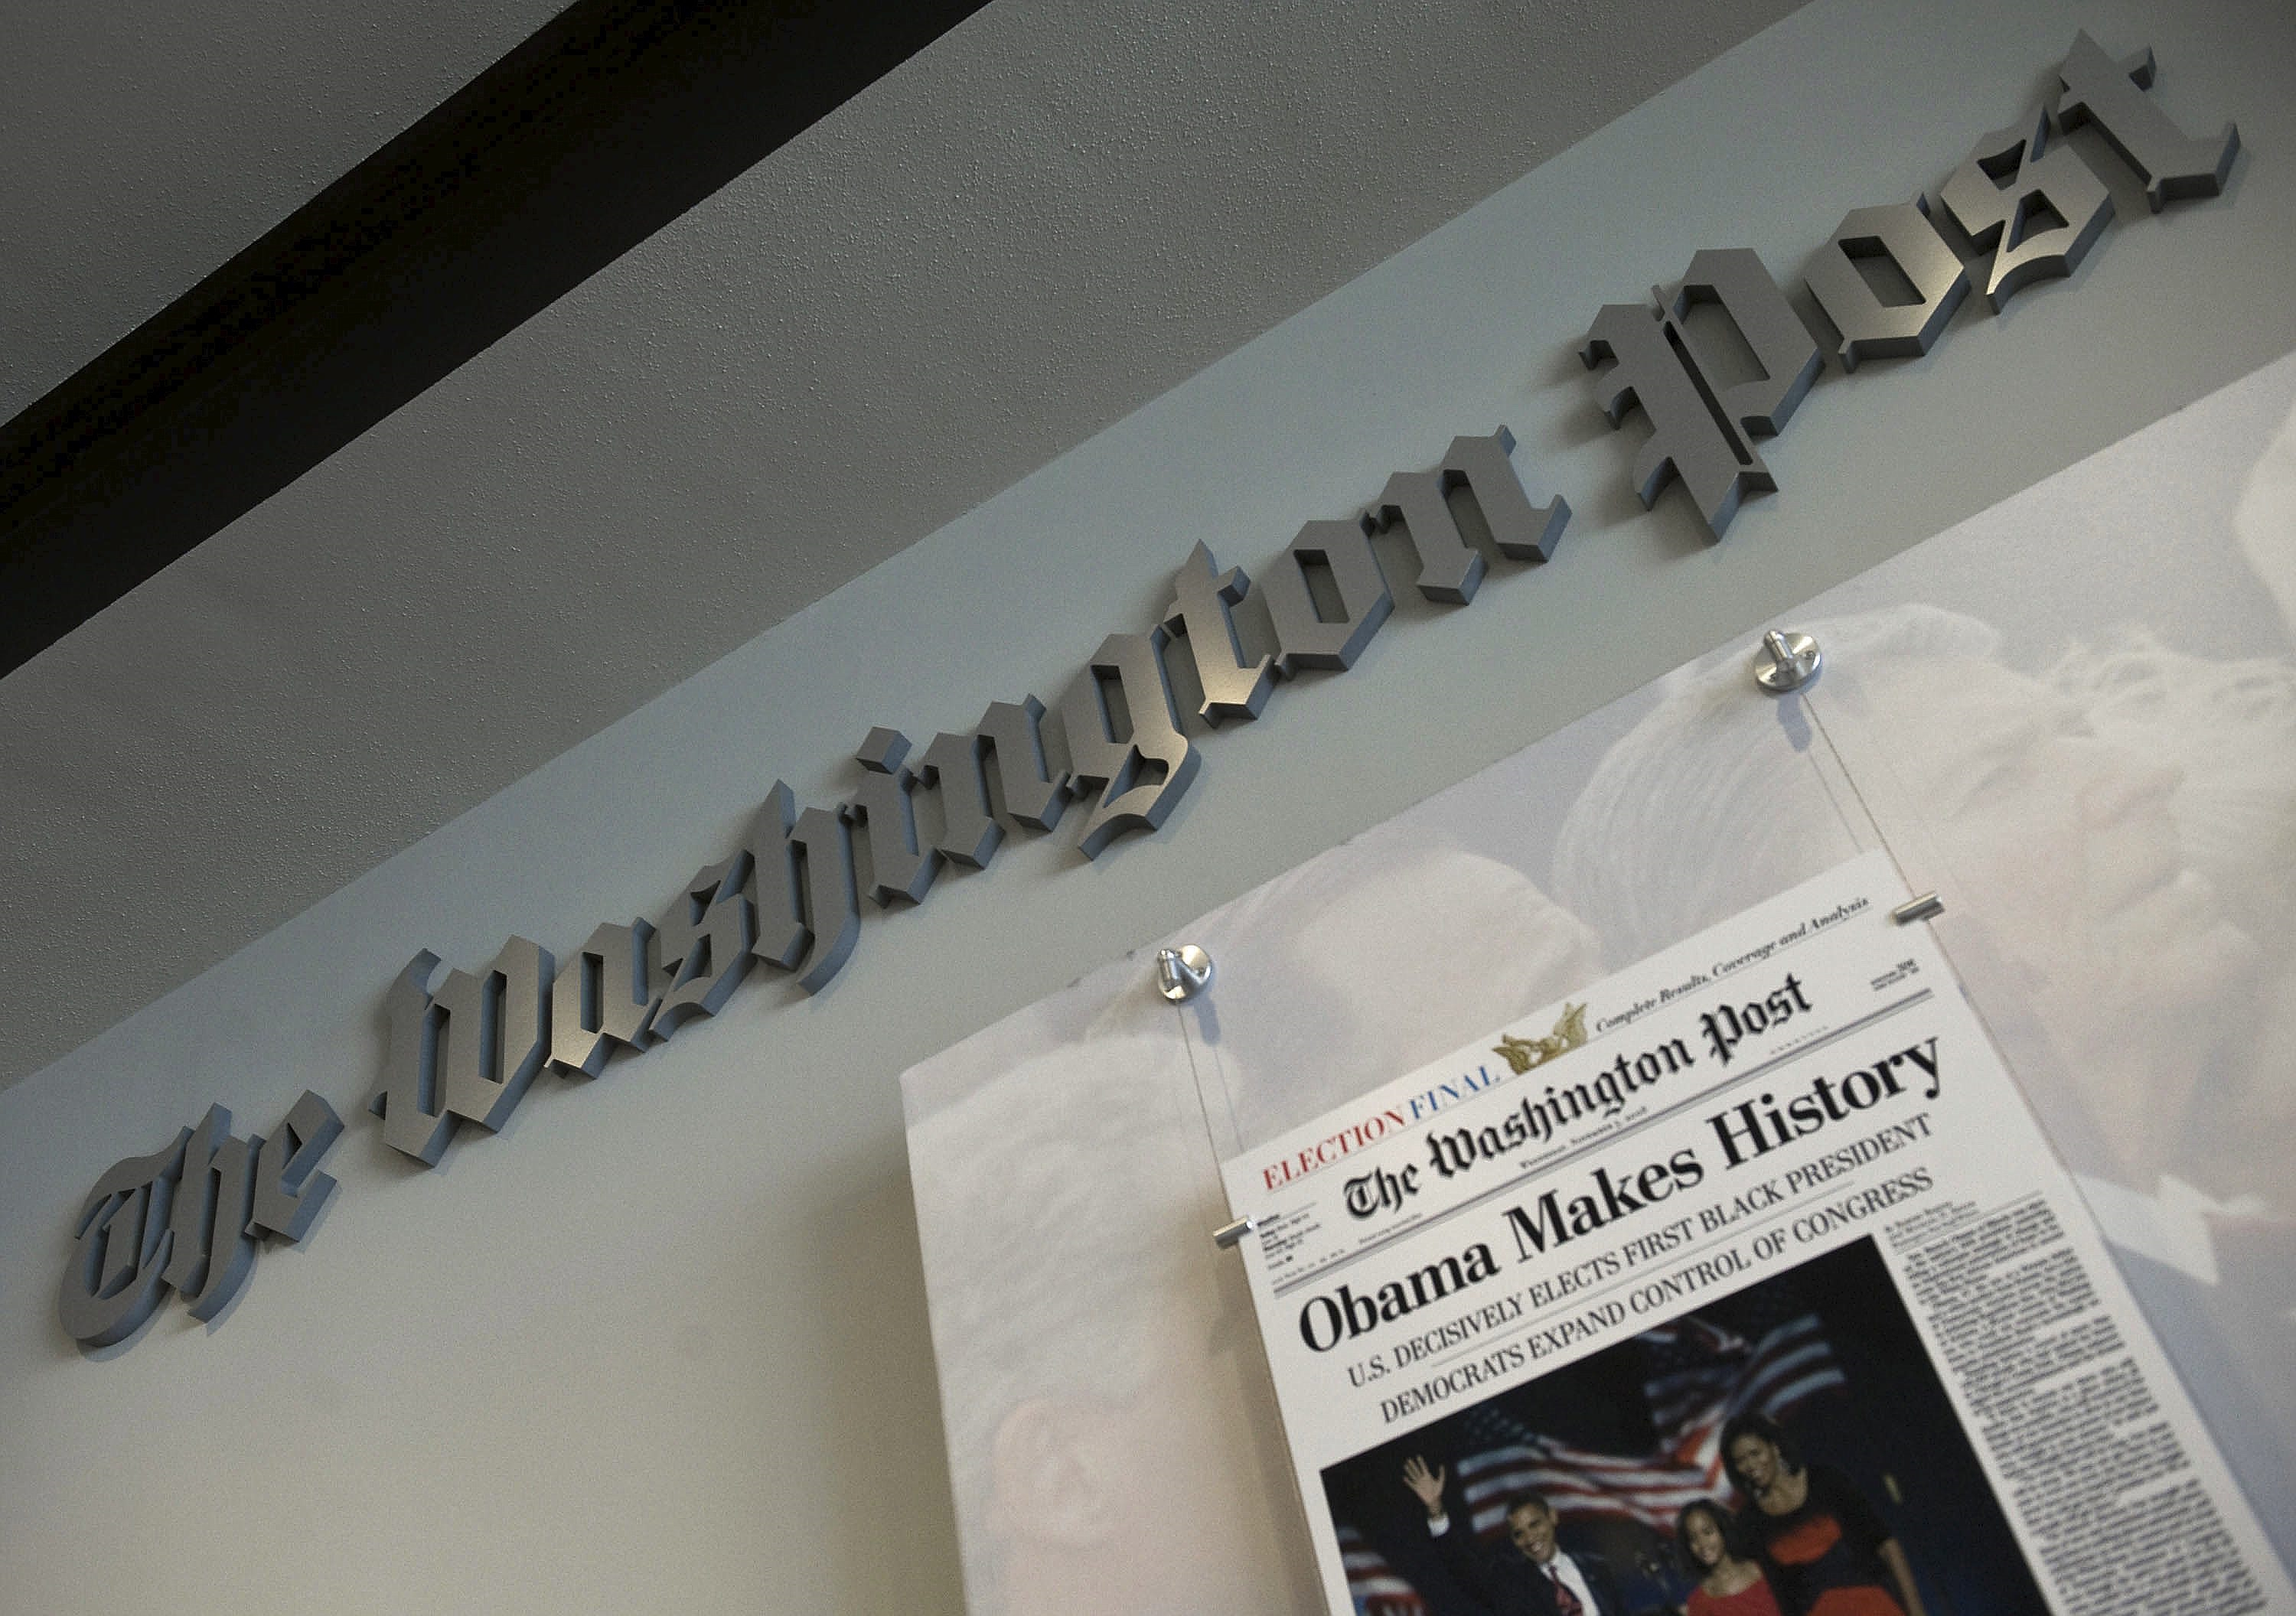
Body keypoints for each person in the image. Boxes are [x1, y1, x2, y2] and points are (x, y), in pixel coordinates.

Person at [1720, 1416, 1923, 1616]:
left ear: (1774, 1447)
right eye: (1740, 1461)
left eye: (1755, 1453)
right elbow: (1763, 1594)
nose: (1750, 1465)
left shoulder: (1826, 1482)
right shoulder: (1749, 1523)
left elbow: (1887, 1546)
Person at [1401, 1454, 1625, 1616]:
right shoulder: (1511, 1582)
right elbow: (1464, 1570)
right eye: (1519, 1534)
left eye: (1535, 1524)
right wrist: (1435, 1510)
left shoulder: (1597, 1568)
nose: (1530, 1538)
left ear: (1552, 1518)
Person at [1675, 1498, 1782, 1616]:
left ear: (1722, 1530)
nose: (1702, 1544)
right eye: (1693, 1539)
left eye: (1708, 1532)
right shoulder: (1698, 1602)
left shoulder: (1765, 1569)